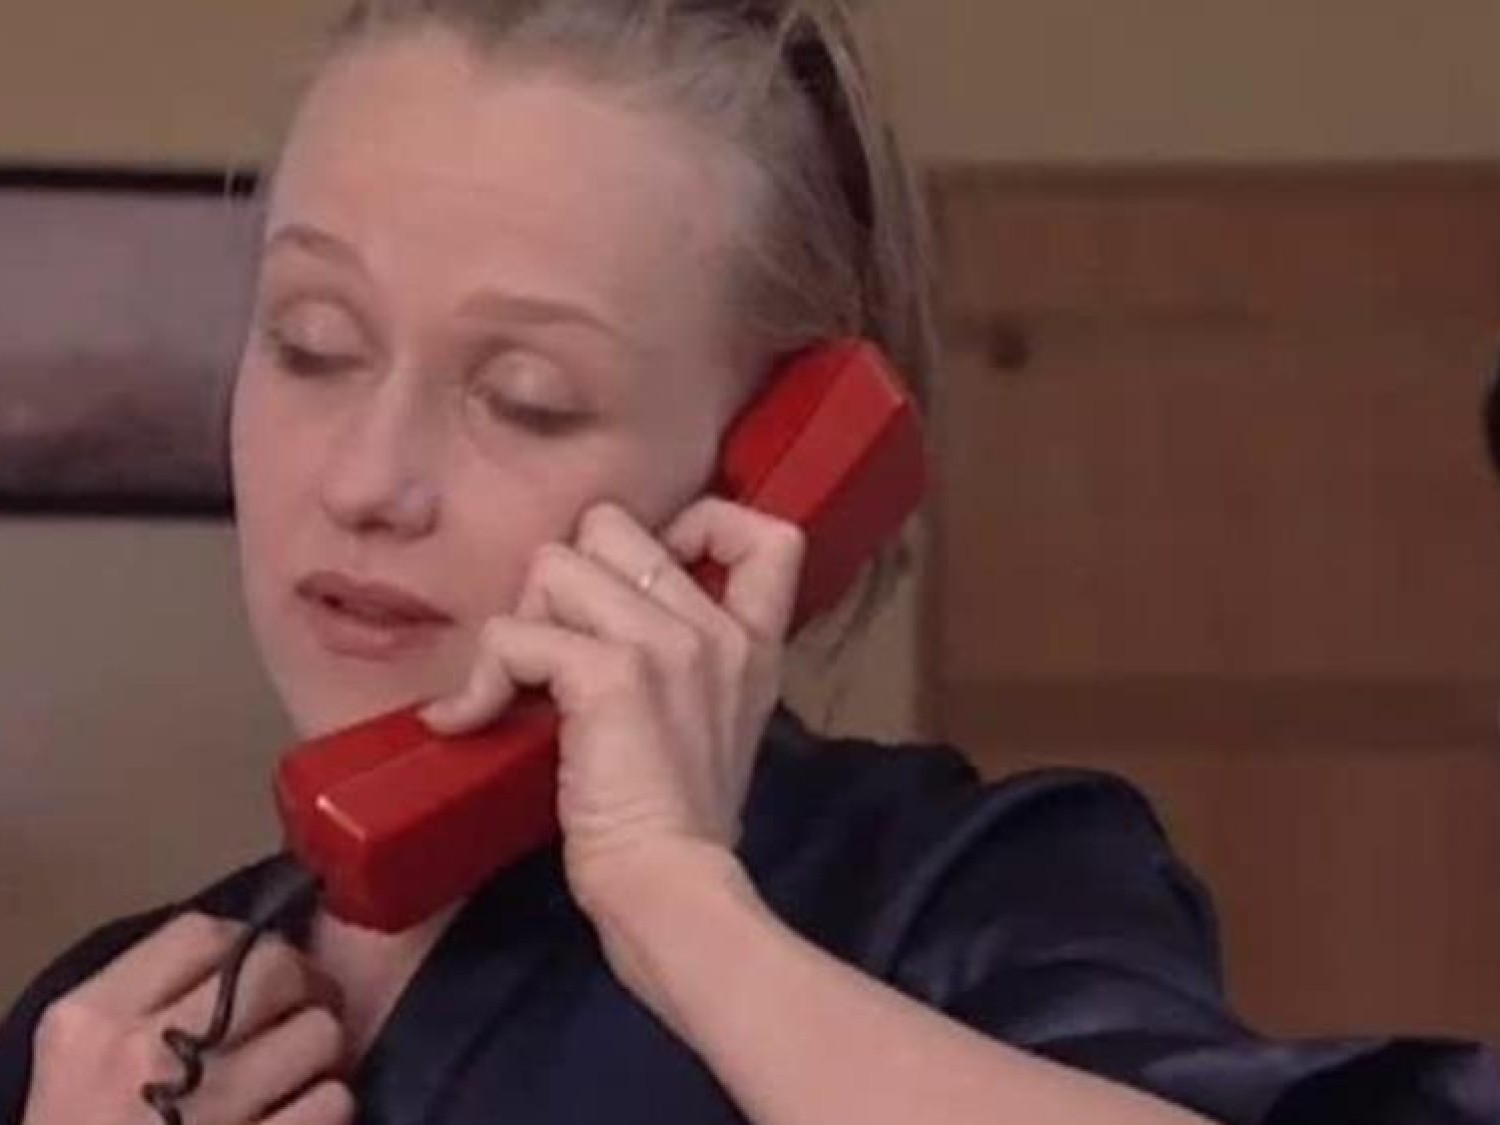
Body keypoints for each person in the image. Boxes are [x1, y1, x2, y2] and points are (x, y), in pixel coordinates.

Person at [2, 2, 1497, 1122]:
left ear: (771, 476)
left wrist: (682, 912)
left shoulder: (968, 893)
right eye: (312, 345)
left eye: (527, 397)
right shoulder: (114, 1024)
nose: (363, 481)